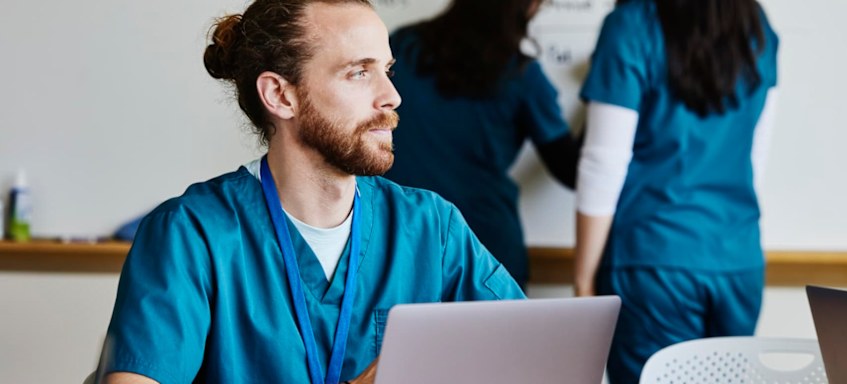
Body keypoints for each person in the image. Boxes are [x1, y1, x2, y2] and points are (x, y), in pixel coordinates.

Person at [95, 1, 525, 383]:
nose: (391, 96)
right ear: (280, 96)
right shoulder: (191, 235)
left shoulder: (431, 228)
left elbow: (534, 351)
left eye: (387, 71)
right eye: (359, 72)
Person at [572, 0, 779, 382]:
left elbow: (604, 162)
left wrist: (584, 277)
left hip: (655, 262)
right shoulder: (754, 23)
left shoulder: (632, 24)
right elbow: (755, 156)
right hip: (737, 261)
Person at [383, 0, 580, 289]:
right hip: (486, 250)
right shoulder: (520, 74)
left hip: (401, 239)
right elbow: (571, 170)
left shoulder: (400, 47)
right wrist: (601, 99)